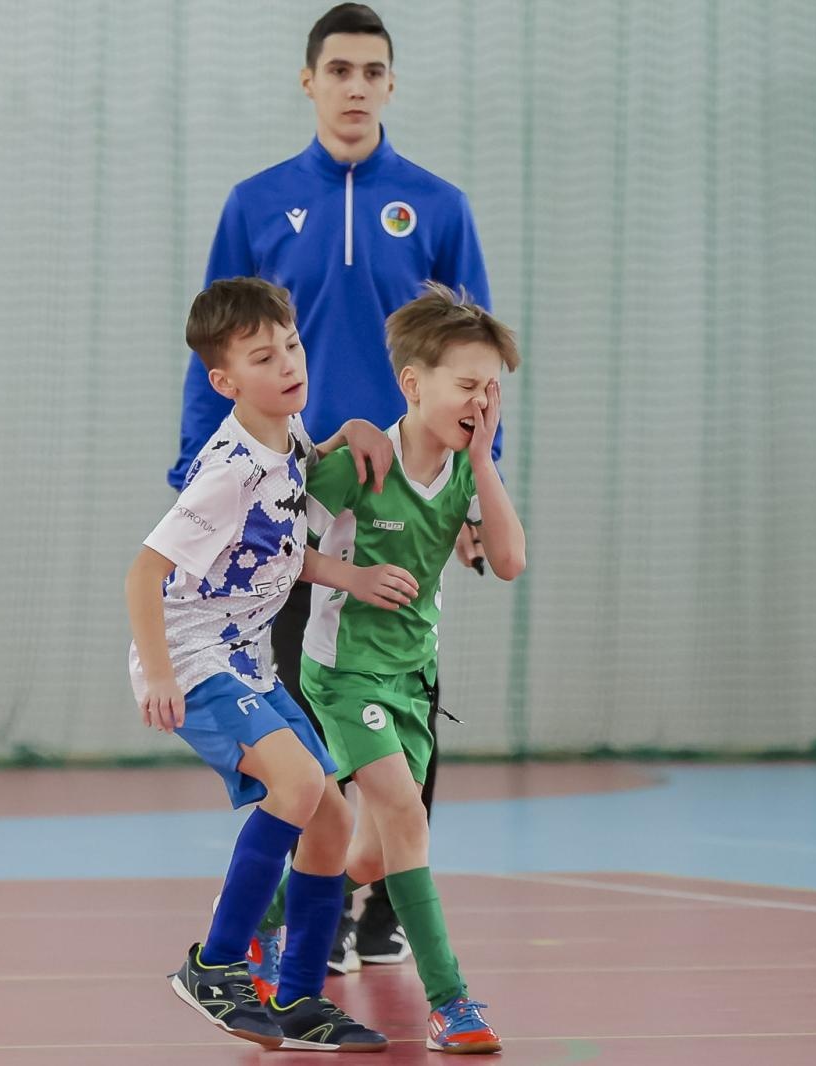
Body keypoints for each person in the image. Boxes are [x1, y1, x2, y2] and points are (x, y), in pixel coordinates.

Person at [169, 2, 495, 978]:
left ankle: (383, 902)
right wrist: (194, 469)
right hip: (296, 485)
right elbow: (213, 347)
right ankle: (300, 903)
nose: (356, 86)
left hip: (407, 491)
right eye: (339, 70)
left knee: (397, 687)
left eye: (373, 71)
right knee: (295, 691)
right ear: (309, 81)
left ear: (391, 85)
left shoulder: (437, 206)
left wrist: (478, 492)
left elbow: (475, 361)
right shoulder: (257, 203)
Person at [127, 277, 418, 1051]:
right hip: (192, 658)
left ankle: (298, 999)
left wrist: (351, 567)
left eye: (291, 345)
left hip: (245, 659)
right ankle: (214, 964)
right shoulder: (229, 471)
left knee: (332, 816)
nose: (288, 363)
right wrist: (159, 674)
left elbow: (280, 552)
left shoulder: (288, 440)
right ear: (226, 382)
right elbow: (144, 572)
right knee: (297, 786)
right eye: (263, 357)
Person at [301, 283, 525, 1052]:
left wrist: (484, 461)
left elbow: (509, 560)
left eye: (492, 390)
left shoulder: (465, 471)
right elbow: (273, 550)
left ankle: (265, 922)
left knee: (368, 854)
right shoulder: (360, 464)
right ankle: (450, 1002)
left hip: (412, 679)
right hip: (344, 673)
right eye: (467, 386)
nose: (481, 402)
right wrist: (352, 577)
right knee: (405, 817)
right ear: (413, 383)